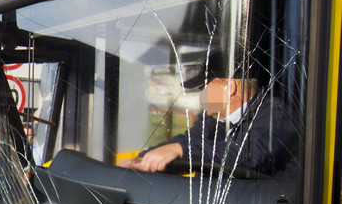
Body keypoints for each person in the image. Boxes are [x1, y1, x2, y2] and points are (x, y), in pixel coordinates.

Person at [119, 59, 297, 178]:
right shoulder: (214, 118)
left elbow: (245, 156)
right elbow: (188, 140)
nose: (202, 96)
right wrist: (143, 160)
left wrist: (181, 150)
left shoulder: (277, 116)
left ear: (229, 87)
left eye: (205, 88)